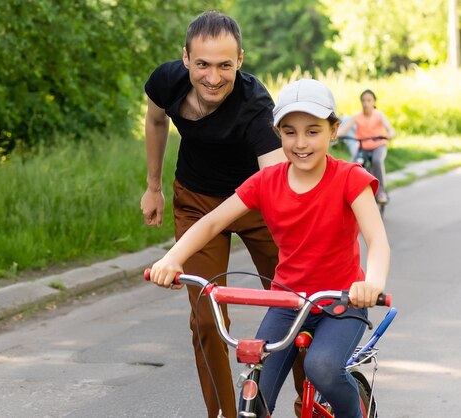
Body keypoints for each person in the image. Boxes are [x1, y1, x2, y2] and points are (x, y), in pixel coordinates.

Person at [148, 78, 390, 417]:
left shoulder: (349, 178)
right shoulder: (266, 182)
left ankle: (357, 412)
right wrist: (173, 258)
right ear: (278, 133)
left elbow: (376, 239)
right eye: (290, 132)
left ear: (333, 131)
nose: (301, 142)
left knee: (321, 367)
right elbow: (213, 221)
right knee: (254, 391)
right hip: (288, 303)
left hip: (340, 302)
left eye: (313, 131)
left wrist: (371, 284)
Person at [140, 10, 296, 418]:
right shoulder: (166, 81)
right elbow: (156, 121)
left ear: (240, 61)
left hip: (258, 205)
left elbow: (278, 181)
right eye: (203, 64)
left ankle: (310, 402)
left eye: (225, 65)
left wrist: (303, 237)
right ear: (186, 59)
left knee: (297, 307)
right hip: (196, 202)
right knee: (206, 320)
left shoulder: (256, 107)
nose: (213, 77)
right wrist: (153, 187)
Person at [338, 89, 395, 204]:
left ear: (374, 102)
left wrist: (390, 135)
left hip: (378, 145)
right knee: (353, 165)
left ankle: (381, 192)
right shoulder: (357, 116)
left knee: (377, 161)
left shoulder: (379, 115)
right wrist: (333, 136)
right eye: (363, 100)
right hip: (363, 146)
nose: (366, 103)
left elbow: (390, 129)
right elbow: (344, 129)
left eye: (369, 100)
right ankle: (349, 193)